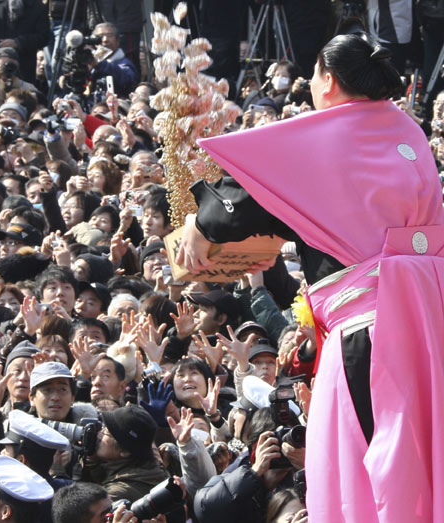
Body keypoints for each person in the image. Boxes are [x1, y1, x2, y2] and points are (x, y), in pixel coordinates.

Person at [179, 32, 444, 521]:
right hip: (429, 319)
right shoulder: (408, 133)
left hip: (369, 331)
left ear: (328, 79)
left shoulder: (323, 134)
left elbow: (238, 206)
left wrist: (199, 226)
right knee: (424, 452)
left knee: (382, 462)